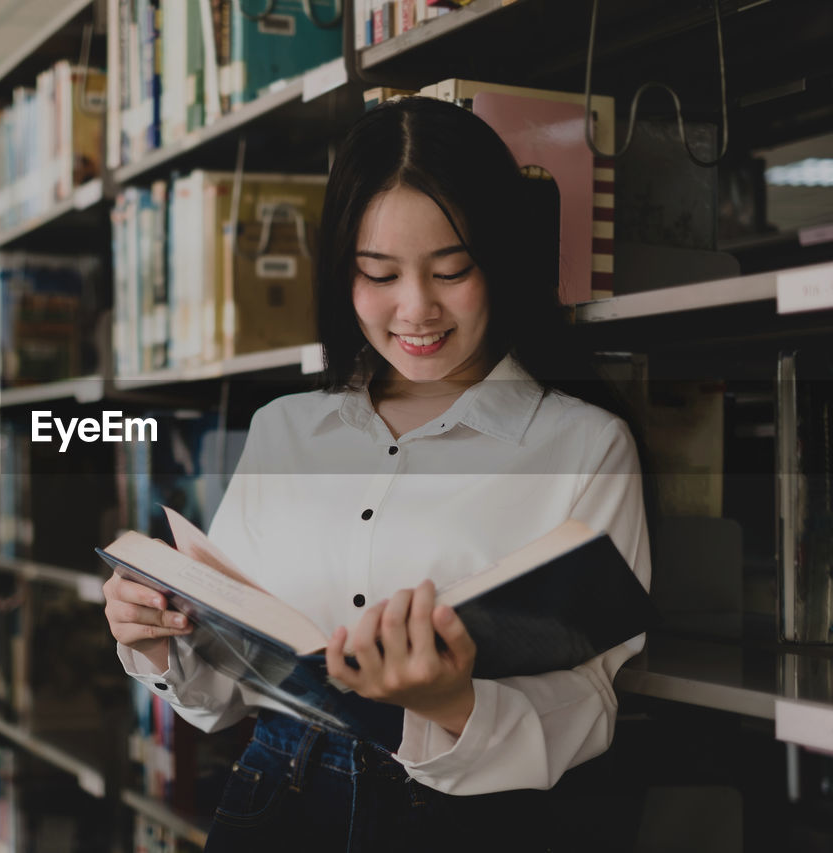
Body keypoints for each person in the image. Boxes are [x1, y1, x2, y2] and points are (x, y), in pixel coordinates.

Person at [102, 96, 651, 852]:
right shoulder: (285, 430)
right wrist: (160, 639)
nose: (415, 308)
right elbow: (226, 690)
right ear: (341, 273)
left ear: (501, 259)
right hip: (271, 791)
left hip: (455, 820)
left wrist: (451, 701)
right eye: (378, 273)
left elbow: (590, 707)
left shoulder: (586, 444)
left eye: (452, 270)